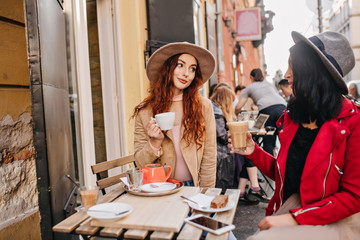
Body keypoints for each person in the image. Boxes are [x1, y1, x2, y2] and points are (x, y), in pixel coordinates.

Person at [232, 31, 360, 240]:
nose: (287, 75)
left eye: (293, 66)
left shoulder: (353, 122)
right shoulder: (292, 117)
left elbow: (354, 196)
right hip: (293, 210)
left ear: (313, 71)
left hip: (335, 220)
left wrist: (294, 218)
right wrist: (253, 152)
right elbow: (286, 173)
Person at [132, 42, 217, 188]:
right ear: (167, 68)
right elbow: (140, 164)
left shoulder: (203, 107)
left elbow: (209, 157)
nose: (186, 73)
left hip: (193, 188)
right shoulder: (145, 112)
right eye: (180, 65)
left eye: (192, 69)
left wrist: (205, 194)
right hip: (160, 189)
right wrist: (154, 142)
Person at [236, 68, 286, 156]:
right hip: (282, 107)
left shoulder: (250, 87)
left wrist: (235, 115)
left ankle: (270, 166)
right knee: (285, 137)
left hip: (267, 110)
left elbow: (238, 107)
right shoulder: (269, 84)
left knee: (268, 139)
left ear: (251, 77)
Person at [210, 83, 236, 190]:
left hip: (216, 154)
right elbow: (222, 136)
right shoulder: (217, 114)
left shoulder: (213, 109)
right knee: (221, 188)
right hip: (220, 155)